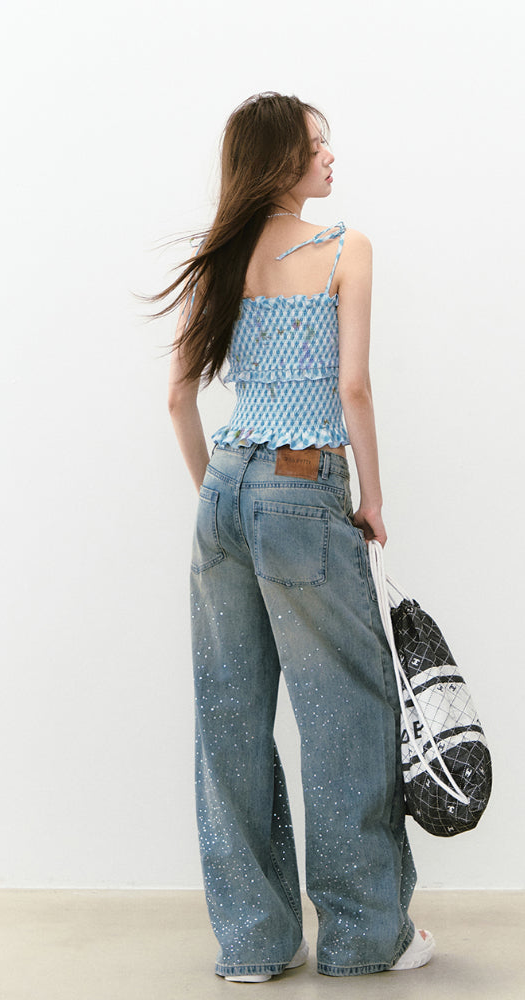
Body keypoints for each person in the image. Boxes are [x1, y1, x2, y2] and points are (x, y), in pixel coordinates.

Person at [157, 92, 434, 980]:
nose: (330, 158)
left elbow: (177, 399)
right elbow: (353, 389)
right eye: (317, 146)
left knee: (228, 720)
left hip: (226, 490)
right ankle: (362, 939)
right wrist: (374, 497)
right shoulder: (345, 248)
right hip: (306, 485)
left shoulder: (220, 258)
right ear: (282, 159)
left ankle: (253, 944)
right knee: (346, 712)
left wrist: (223, 501)